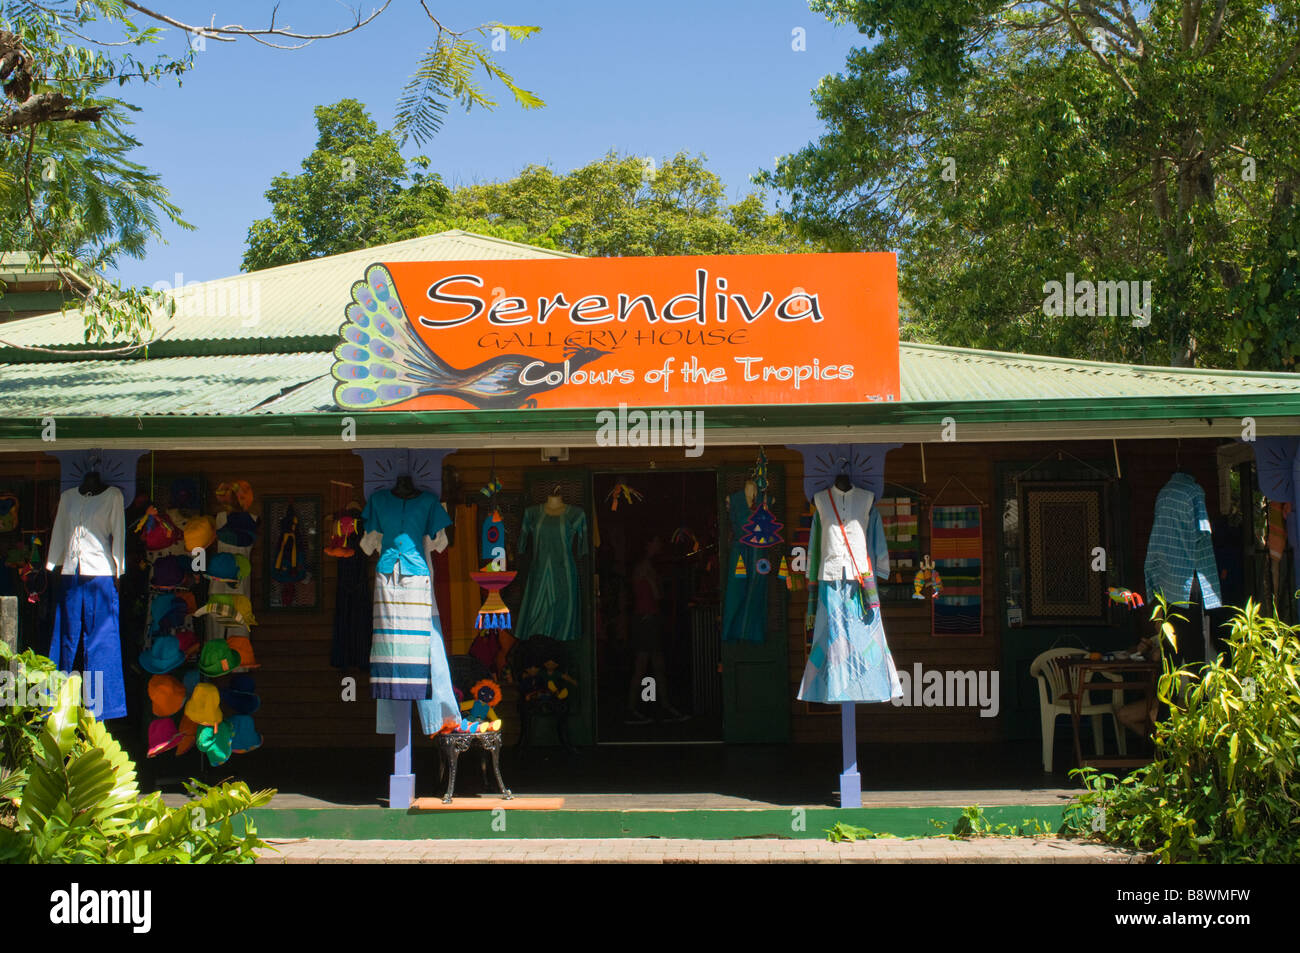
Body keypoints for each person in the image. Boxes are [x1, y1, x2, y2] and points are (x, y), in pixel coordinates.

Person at [625, 535, 688, 724]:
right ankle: (634, 708)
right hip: (646, 620)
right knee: (644, 665)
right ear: (648, 544)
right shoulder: (645, 567)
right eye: (657, 542)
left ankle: (661, 706)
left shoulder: (645, 566)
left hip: (647, 619)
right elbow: (657, 594)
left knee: (655, 665)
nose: (660, 545)